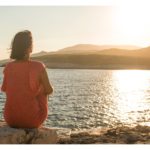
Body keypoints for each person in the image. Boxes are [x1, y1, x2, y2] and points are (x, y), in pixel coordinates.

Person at [1, 30, 53, 128]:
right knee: (42, 89)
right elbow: (49, 90)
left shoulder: (8, 67)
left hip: (10, 119)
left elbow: (4, 89)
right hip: (32, 120)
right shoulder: (38, 66)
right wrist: (40, 88)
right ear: (29, 47)